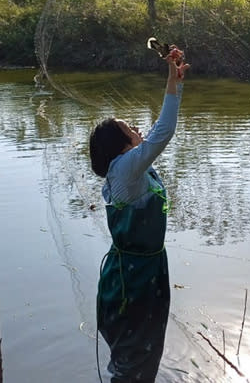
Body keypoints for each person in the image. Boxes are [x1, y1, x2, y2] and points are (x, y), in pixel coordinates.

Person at [89, 47, 189, 382]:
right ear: (120, 145)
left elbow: (157, 134)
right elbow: (164, 132)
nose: (136, 127)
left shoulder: (128, 169)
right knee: (136, 354)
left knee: (140, 351)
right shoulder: (125, 169)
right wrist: (170, 82)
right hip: (135, 279)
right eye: (129, 126)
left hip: (142, 271)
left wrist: (174, 81)